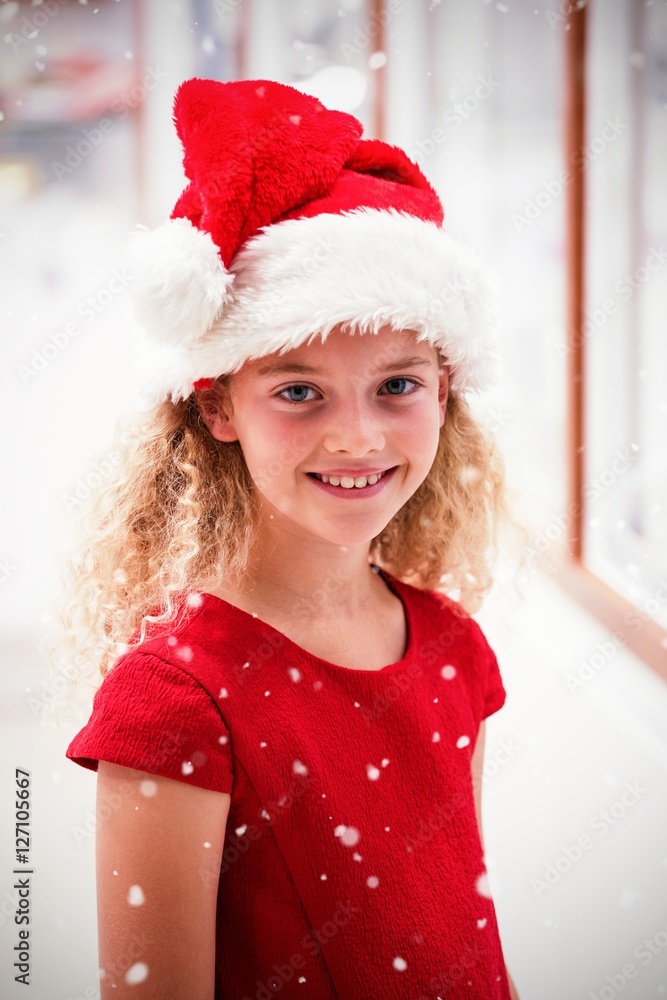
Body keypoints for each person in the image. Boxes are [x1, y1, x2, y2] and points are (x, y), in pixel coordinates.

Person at [58, 77, 525, 999]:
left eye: (396, 385)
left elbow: (465, 942)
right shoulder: (177, 698)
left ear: (445, 393)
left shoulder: (451, 647)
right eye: (298, 390)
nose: (356, 436)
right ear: (218, 405)